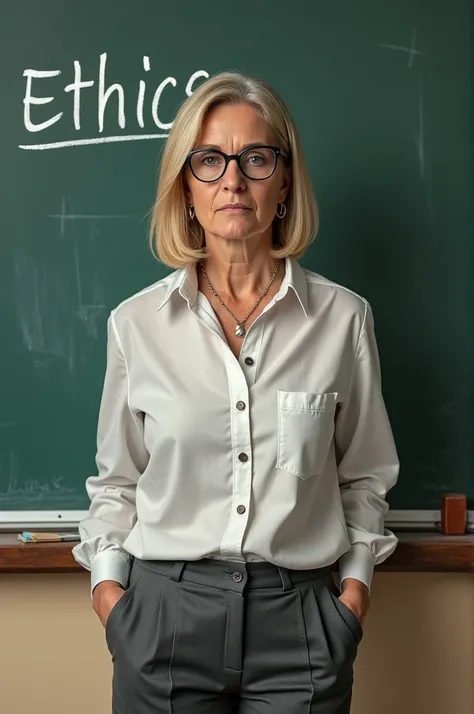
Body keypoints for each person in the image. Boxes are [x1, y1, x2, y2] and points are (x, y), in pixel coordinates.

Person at [72, 71, 399, 714]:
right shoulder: (136, 325)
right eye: (209, 160)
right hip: (163, 616)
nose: (233, 179)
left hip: (302, 621)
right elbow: (117, 484)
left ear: (284, 182)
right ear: (185, 188)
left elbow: (364, 477)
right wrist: (113, 601)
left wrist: (352, 594)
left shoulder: (342, 320)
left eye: (255, 157)